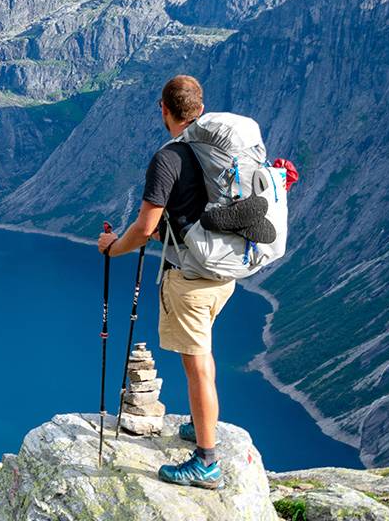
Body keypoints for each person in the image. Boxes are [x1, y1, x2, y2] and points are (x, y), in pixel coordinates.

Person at [97, 74, 235, 490]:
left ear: (164, 109)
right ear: (199, 107)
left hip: (191, 279)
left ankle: (207, 462)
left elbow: (144, 227)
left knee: (196, 366)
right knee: (203, 356)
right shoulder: (218, 148)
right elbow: (191, 215)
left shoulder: (169, 158)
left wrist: (112, 248)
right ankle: (200, 424)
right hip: (224, 272)